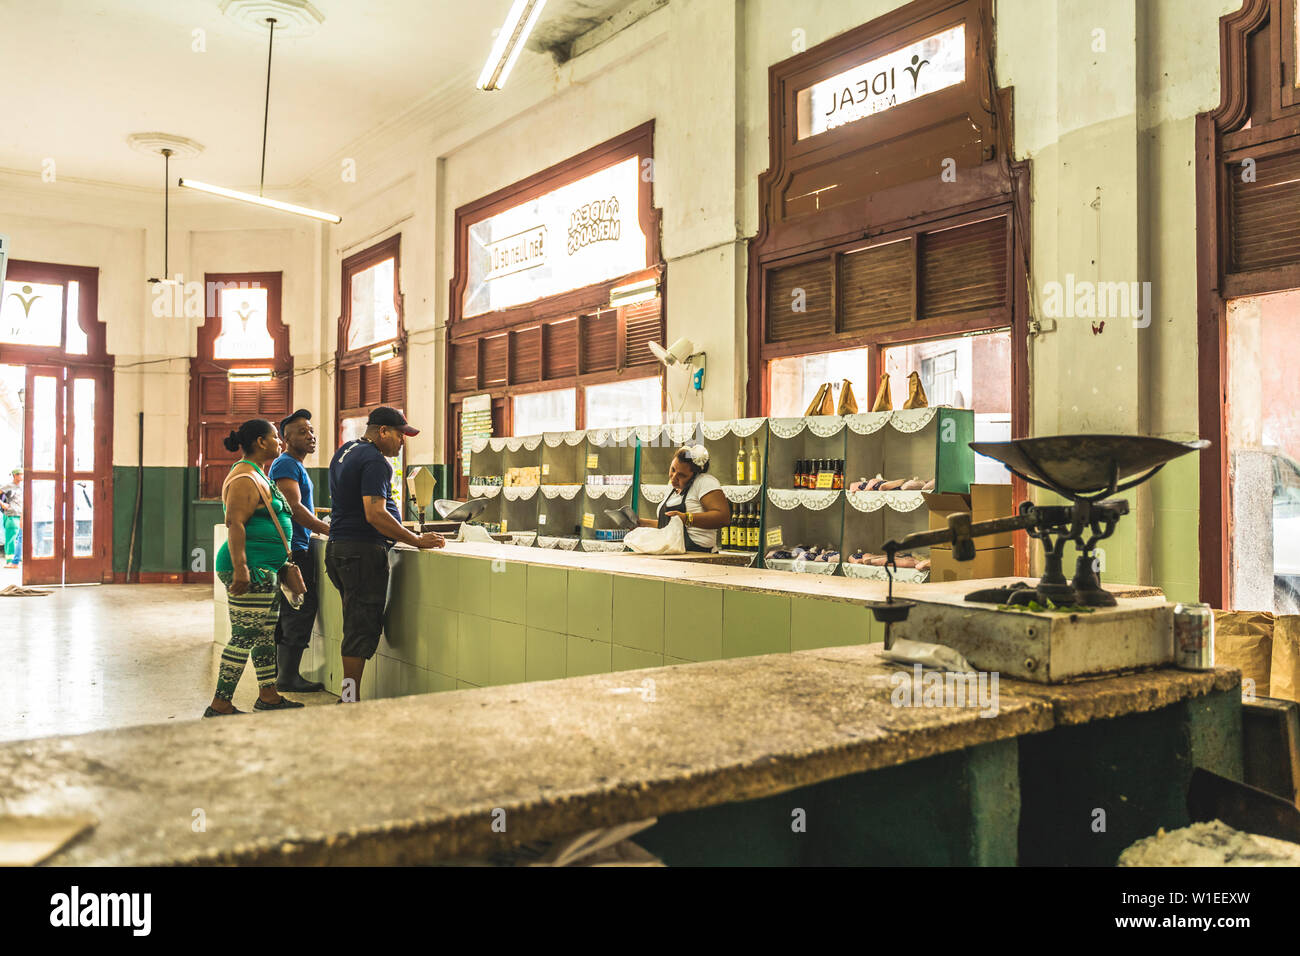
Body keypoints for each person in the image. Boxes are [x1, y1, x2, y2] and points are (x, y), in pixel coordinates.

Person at [326, 406, 445, 702]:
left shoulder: (345, 451)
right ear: (382, 431)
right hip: (362, 551)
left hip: (339, 548)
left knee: (354, 621)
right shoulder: (376, 461)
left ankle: (348, 696)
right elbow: (375, 514)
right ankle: (349, 699)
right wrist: (416, 539)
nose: (402, 442)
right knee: (359, 627)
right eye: (400, 435)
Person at [206, 419, 307, 717]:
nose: (280, 442)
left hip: (265, 568)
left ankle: (268, 695)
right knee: (244, 636)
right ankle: (220, 703)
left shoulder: (258, 474)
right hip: (252, 567)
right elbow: (234, 523)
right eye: (275, 437)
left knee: (263, 635)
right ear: (261, 442)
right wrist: (241, 568)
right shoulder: (244, 478)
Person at [269, 408, 331, 693]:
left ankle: (284, 674)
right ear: (286, 438)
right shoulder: (286, 464)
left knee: (294, 610)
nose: (311, 436)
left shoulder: (295, 465)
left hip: (298, 545)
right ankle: (288, 677)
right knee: (300, 609)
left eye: (311, 430)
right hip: (294, 549)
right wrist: (328, 529)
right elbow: (294, 508)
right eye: (302, 432)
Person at [638, 444, 731, 552]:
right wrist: (642, 524)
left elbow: (723, 517)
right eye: (672, 469)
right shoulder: (672, 487)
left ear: (695, 474)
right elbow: (670, 525)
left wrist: (686, 518)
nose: (673, 478)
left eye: (681, 475)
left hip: (700, 556)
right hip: (674, 554)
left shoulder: (704, 482)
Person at [1, 467, 20, 569]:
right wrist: (2, 504)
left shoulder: (23, 486)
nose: (22, 476)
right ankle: (10, 561)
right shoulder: (9, 486)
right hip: (11, 515)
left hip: (21, 515)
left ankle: (16, 559)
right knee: (11, 539)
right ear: (15, 475)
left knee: (18, 539)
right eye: (20, 474)